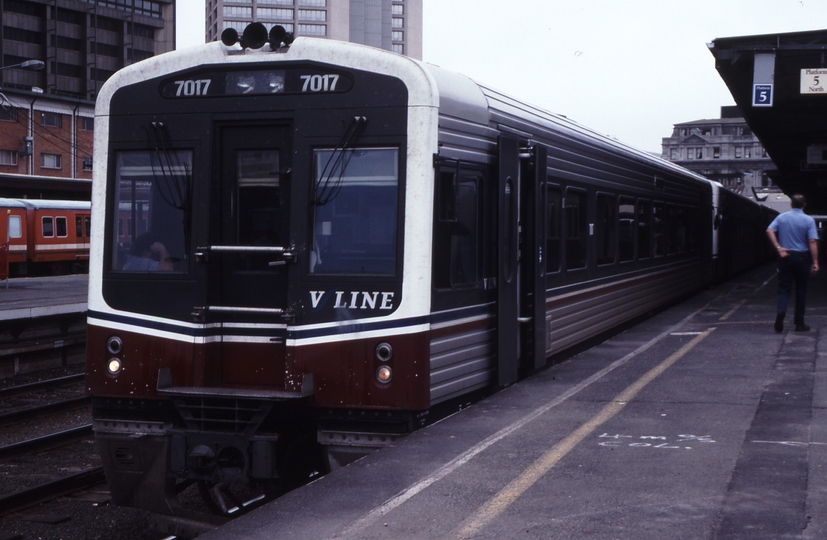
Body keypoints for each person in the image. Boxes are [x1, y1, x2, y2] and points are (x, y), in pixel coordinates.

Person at [766, 194, 819, 332]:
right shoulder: (808, 220)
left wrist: (778, 248)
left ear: (791, 204)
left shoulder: (781, 217)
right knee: (801, 290)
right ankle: (799, 323)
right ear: (804, 205)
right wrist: (815, 261)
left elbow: (769, 230)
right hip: (801, 258)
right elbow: (812, 241)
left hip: (785, 256)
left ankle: (781, 311)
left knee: (784, 288)